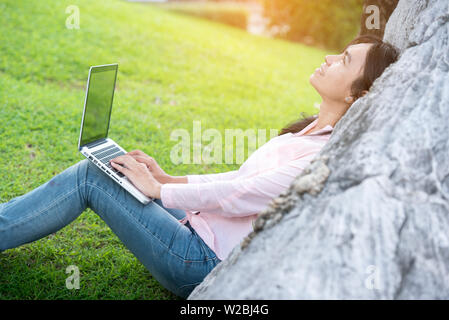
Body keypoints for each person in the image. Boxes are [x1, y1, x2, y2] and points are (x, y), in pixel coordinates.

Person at [0, 35, 399, 298]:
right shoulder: (308, 133)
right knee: (115, 172)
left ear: (357, 93)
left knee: (92, 177)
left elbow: (239, 196)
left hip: (199, 262)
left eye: (344, 60)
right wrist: (166, 178)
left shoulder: (321, 155)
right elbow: (243, 180)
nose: (330, 58)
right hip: (199, 229)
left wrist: (160, 192)